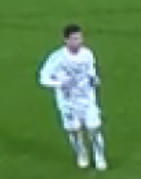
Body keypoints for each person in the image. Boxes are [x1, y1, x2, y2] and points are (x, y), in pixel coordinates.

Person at [38, 23, 107, 170]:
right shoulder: (57, 58)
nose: (78, 42)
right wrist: (60, 84)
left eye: (80, 38)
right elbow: (43, 78)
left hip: (87, 99)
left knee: (94, 128)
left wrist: (94, 79)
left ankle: (99, 156)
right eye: (75, 39)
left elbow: (91, 71)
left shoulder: (87, 54)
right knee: (74, 131)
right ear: (66, 40)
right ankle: (81, 153)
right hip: (68, 102)